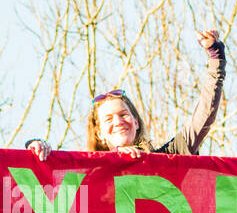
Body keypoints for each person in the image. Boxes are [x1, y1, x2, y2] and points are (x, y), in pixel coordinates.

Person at [80, 28, 225, 157]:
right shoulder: (87, 173)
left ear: (136, 123)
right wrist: (114, 157)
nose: (118, 122)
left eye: (124, 114)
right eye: (108, 119)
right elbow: (66, 185)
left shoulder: (166, 158)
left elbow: (203, 116)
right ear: (99, 134)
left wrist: (216, 56)